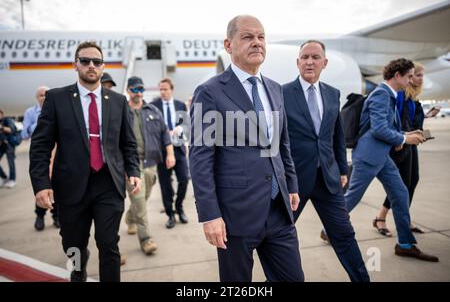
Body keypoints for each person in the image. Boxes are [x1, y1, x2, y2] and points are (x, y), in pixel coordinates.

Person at [189, 15, 304, 282]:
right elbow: (200, 158)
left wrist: (292, 184)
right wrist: (210, 215)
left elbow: (280, 144)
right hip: (235, 216)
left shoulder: (275, 89)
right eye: (248, 37)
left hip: (278, 210)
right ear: (228, 45)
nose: (257, 43)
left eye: (261, 37)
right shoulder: (209, 92)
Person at [29, 41, 141, 282]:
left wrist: (133, 170)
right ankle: (78, 270)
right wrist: (41, 184)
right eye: (85, 61)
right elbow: (40, 145)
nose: (91, 66)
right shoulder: (57, 98)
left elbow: (128, 144)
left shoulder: (118, 101)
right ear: (75, 64)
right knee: (73, 244)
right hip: (70, 185)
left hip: (108, 183)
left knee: (109, 243)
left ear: (103, 67)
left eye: (97, 62)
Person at [283, 40, 370, 282]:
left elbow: (336, 135)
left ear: (324, 62)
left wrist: (343, 169)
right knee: (279, 237)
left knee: (344, 234)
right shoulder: (281, 93)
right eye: (305, 57)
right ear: (297, 62)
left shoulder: (332, 93)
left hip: (328, 181)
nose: (309, 61)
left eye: (315, 57)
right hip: (294, 183)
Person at [344, 58, 438, 262]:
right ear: (397, 76)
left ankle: (405, 244)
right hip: (369, 156)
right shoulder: (381, 94)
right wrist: (404, 138)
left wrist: (406, 133)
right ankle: (329, 228)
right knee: (352, 197)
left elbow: (386, 126)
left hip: (382, 156)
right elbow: (378, 128)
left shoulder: (391, 95)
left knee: (401, 193)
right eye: (409, 76)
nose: (412, 80)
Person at [373, 62, 440, 236]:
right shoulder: (400, 95)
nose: (419, 78)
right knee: (401, 185)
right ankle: (384, 219)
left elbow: (409, 120)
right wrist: (402, 137)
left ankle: (402, 220)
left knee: (412, 181)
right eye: (417, 75)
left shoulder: (413, 97)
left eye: (420, 75)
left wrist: (425, 117)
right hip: (400, 144)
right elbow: (395, 121)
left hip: (411, 143)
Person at [125, 76, 176, 254]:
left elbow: (164, 135)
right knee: (139, 200)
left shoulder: (153, 110)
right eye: (134, 89)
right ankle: (146, 239)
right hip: (131, 164)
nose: (138, 93)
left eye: (141, 89)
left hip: (150, 163)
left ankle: (130, 217)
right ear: (128, 90)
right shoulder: (122, 111)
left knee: (142, 199)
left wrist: (170, 154)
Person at [151, 78, 190, 229]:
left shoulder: (180, 105)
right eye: (160, 89)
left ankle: (179, 207)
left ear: (171, 89)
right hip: (162, 152)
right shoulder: (154, 106)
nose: (162, 92)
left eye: (165, 89)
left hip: (179, 149)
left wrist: (180, 129)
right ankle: (170, 214)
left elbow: (187, 126)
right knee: (165, 184)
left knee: (184, 179)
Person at [22, 86, 60, 231]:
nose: (44, 97)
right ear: (36, 97)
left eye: (46, 94)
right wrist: (41, 125)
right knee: (42, 186)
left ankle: (56, 215)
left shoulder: (58, 110)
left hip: (57, 152)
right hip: (40, 153)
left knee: (57, 185)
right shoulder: (30, 112)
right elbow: (24, 134)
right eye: (41, 95)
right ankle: (40, 215)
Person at [0, 109, 17, 189]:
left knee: (11, 163)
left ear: (2, 114)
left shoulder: (7, 120)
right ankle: (4, 177)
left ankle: (12, 180)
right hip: (2, 145)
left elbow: (12, 130)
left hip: (9, 144)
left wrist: (2, 127)